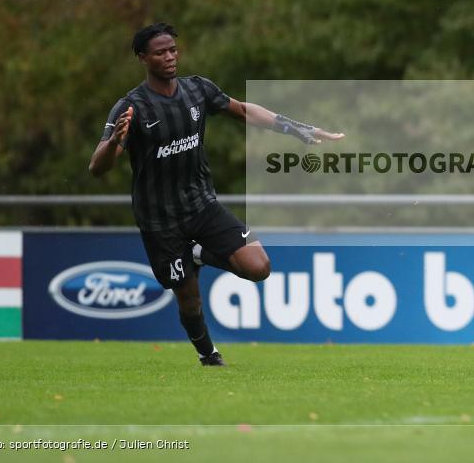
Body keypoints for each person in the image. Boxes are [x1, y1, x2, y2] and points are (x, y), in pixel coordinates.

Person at [89, 23, 344, 365]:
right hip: (160, 220)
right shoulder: (130, 107)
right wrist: (115, 142)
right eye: (160, 52)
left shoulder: (197, 90)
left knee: (259, 266)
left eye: (172, 50)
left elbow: (243, 110)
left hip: (202, 205)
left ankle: (196, 254)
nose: (169, 57)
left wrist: (295, 128)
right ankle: (209, 355)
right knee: (189, 299)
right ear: (142, 57)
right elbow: (98, 166)